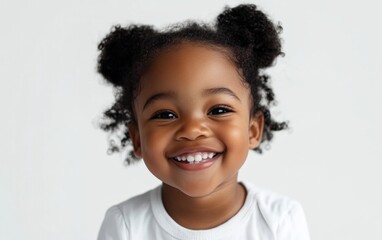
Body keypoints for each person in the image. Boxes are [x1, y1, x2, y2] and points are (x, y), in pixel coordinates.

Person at [96, 3, 311, 240]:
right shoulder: (126, 225)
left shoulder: (280, 220)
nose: (192, 130)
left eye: (218, 110)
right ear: (137, 138)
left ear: (253, 130)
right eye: (165, 114)